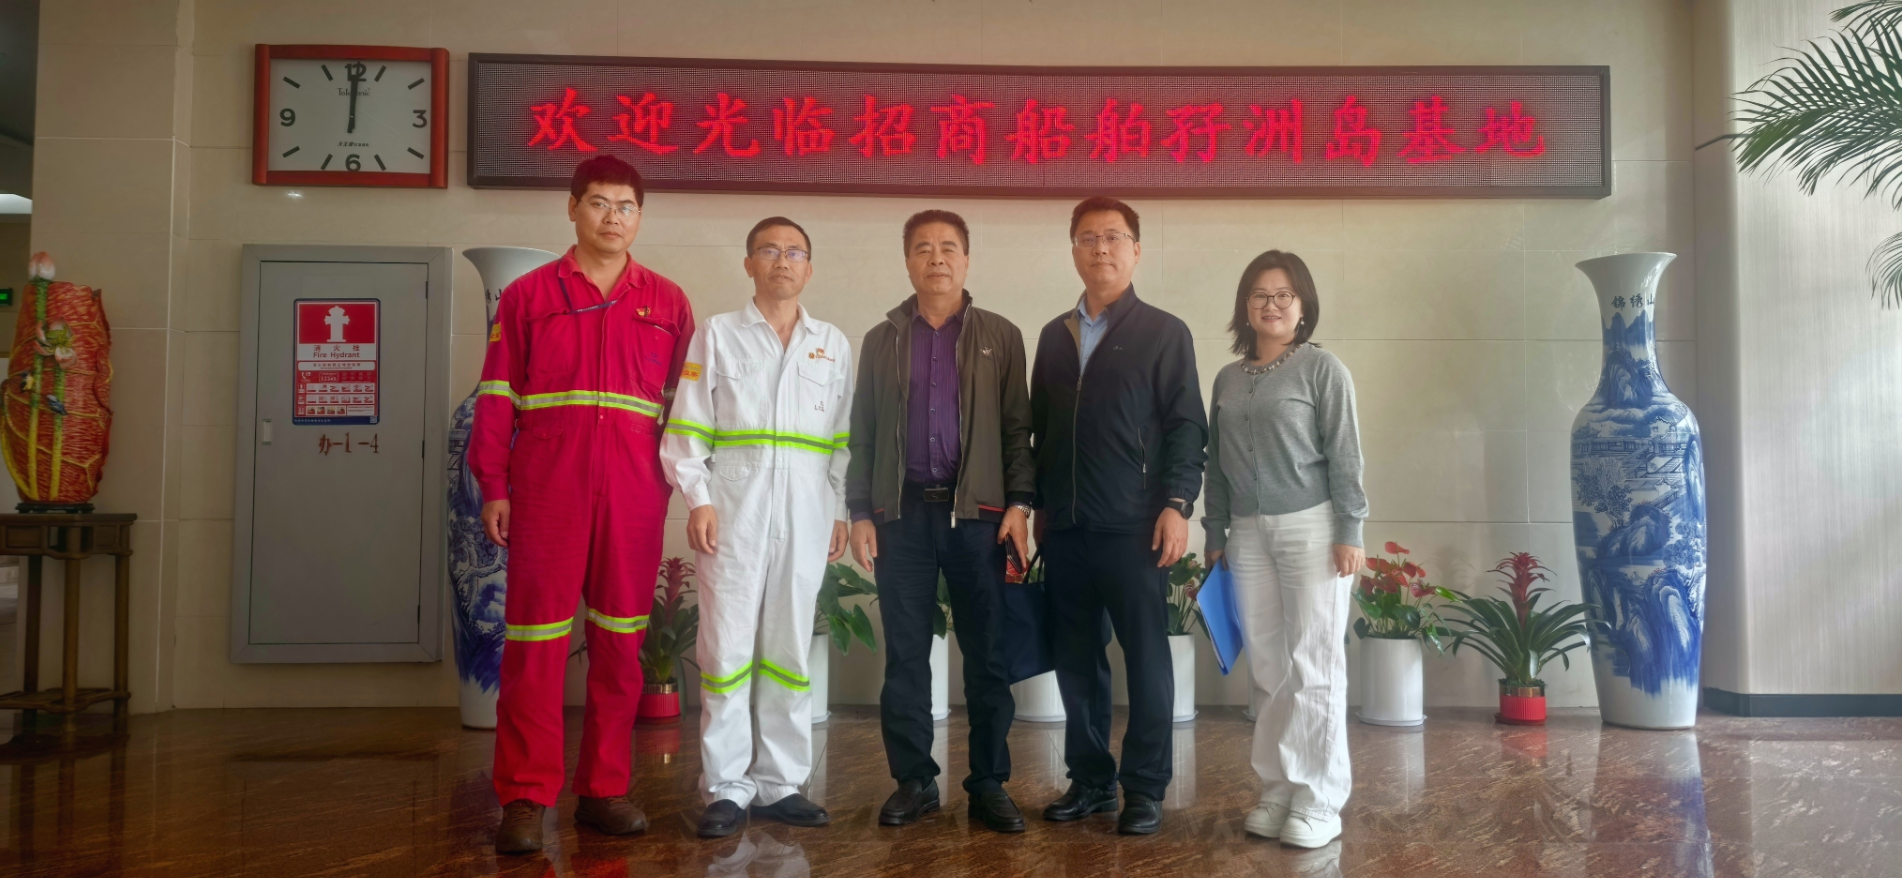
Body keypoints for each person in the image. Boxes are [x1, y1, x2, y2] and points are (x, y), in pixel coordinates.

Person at [472, 155, 695, 854]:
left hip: (633, 492)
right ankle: (525, 797)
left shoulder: (668, 302)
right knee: (534, 645)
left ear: (640, 217)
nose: (612, 217)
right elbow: (496, 395)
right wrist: (494, 485)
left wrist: (685, 488)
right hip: (548, 489)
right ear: (573, 208)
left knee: (620, 645)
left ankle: (604, 789)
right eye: (599, 203)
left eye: (626, 206)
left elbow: (686, 412)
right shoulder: (528, 295)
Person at [661, 216, 854, 839]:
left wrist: (839, 510)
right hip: (734, 510)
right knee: (726, 649)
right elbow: (687, 424)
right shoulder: (717, 334)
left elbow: (844, 440)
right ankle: (725, 786)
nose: (782, 260)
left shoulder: (832, 343)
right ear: (749, 264)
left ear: (809, 268)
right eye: (769, 250)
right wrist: (697, 498)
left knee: (790, 648)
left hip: (806, 510)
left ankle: (780, 782)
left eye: (795, 252)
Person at [846, 210, 1037, 833]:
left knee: (987, 653)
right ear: (907, 261)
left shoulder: (1000, 335)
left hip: (978, 519)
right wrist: (860, 512)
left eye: (949, 247)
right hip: (900, 516)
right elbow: (863, 433)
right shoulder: (882, 339)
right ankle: (914, 781)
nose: (937, 258)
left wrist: (1019, 504)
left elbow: (1017, 430)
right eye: (923, 248)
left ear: (966, 259)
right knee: (906, 654)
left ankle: (989, 782)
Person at [1029, 197, 1207, 836]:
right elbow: (1039, 432)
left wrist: (1177, 504)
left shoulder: (1163, 331)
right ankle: (1091, 781)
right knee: (1076, 661)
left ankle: (1146, 787)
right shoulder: (1054, 335)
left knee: (1147, 658)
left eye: (1112, 237)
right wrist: (1039, 506)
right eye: (1087, 238)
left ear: (1135, 250)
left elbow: (1187, 428)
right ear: (1073, 250)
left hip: (1135, 526)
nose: (1100, 248)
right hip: (1067, 528)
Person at [1202, 250, 1368, 849]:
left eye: (1283, 295)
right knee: (1270, 667)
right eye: (1259, 295)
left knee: (1315, 664)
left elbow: (1346, 454)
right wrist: (1214, 532)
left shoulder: (1323, 369)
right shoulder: (1227, 378)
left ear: (1303, 306)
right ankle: (1278, 788)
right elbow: (1215, 464)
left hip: (1312, 528)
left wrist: (1351, 529)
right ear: (1244, 306)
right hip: (1246, 533)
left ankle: (1320, 798)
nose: (1270, 305)